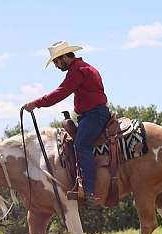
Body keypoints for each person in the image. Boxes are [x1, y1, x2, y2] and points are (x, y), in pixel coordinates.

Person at [23, 40, 110, 203]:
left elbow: (60, 93)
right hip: (93, 114)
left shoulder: (77, 70)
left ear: (64, 57)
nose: (56, 66)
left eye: (56, 61)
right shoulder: (85, 67)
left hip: (94, 115)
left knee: (81, 145)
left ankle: (90, 190)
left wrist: (36, 103)